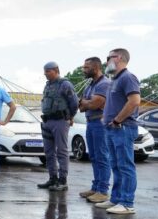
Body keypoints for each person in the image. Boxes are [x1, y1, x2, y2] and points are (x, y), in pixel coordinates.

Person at [94, 49, 141, 215]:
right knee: (116, 165)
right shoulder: (114, 79)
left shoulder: (128, 77)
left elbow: (134, 101)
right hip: (112, 128)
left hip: (123, 128)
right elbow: (112, 102)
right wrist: (105, 118)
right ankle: (116, 199)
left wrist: (117, 120)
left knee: (125, 166)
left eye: (109, 58)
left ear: (119, 58)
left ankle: (127, 203)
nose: (106, 61)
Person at [37, 61, 78, 191]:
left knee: (61, 151)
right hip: (47, 121)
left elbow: (74, 103)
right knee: (49, 152)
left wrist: (70, 117)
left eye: (48, 71)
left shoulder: (65, 84)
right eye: (45, 71)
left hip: (60, 121)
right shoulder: (48, 85)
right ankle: (52, 178)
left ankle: (62, 180)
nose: (45, 74)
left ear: (56, 70)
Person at [78, 57, 112, 204]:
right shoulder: (90, 85)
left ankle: (103, 191)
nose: (83, 70)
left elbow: (94, 104)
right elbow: (81, 106)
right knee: (93, 156)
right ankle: (96, 188)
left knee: (102, 156)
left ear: (96, 68)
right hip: (91, 123)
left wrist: (88, 102)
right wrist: (88, 102)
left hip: (100, 123)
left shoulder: (104, 84)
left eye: (86, 67)